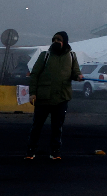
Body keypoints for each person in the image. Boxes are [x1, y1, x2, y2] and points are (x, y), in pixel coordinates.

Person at [26, 31, 83, 160]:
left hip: (62, 98)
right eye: (54, 40)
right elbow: (34, 75)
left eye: (59, 40)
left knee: (57, 127)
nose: (56, 42)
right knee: (37, 126)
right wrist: (32, 93)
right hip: (43, 97)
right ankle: (30, 151)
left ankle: (55, 152)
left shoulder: (72, 56)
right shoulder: (45, 55)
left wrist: (78, 77)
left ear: (65, 42)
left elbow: (75, 72)